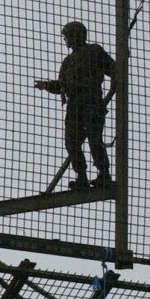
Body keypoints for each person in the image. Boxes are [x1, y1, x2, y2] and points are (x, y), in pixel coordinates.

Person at [34, 21, 116, 190]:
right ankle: (82, 177)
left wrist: (115, 85)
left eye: (67, 36)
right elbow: (63, 85)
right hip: (74, 105)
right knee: (71, 142)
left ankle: (104, 174)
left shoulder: (94, 51)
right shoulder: (68, 61)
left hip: (91, 101)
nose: (65, 40)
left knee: (94, 138)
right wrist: (47, 85)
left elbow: (113, 69)